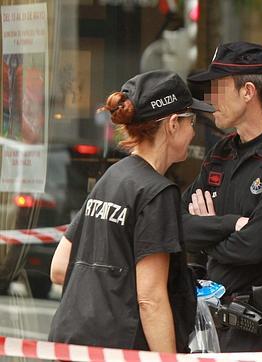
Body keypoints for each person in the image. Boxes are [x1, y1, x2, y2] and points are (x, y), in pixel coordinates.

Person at [48, 70, 216, 353]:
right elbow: (150, 298)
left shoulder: (113, 177)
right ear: (173, 124)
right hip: (121, 348)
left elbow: (60, 267)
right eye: (192, 122)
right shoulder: (157, 192)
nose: (193, 132)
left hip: (71, 340)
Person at [181, 41, 262, 352]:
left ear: (248, 91)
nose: (209, 99)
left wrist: (206, 229)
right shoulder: (222, 151)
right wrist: (228, 223)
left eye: (217, 88)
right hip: (210, 323)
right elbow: (175, 224)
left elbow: (254, 245)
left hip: (261, 330)